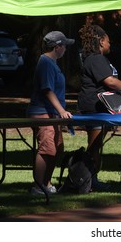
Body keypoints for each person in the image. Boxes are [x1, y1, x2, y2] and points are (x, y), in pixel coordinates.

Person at [78, 24, 121, 191]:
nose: (110, 44)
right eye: (108, 41)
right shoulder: (95, 59)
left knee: (97, 145)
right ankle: (89, 181)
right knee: (94, 146)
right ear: (100, 41)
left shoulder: (98, 59)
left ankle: (91, 179)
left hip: (101, 107)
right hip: (94, 108)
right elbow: (110, 81)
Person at [27, 31, 74, 195]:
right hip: (42, 113)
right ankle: (37, 187)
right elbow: (47, 90)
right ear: (57, 46)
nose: (66, 49)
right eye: (65, 46)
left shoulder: (52, 63)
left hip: (52, 114)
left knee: (57, 149)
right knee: (47, 149)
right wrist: (61, 111)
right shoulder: (45, 62)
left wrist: (60, 112)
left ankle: (46, 183)